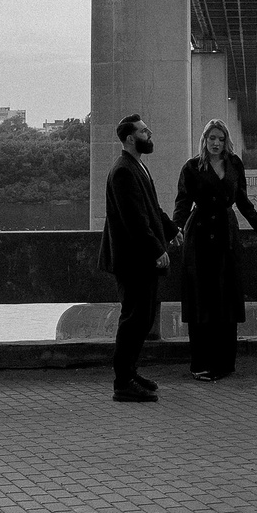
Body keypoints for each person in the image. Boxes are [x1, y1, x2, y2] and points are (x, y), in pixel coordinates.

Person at [171, 117, 257, 380]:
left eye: (221, 139)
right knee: (202, 299)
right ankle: (200, 364)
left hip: (226, 234)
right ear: (204, 140)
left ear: (226, 141)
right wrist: (174, 230)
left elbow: (242, 199)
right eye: (211, 138)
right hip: (200, 235)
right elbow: (182, 202)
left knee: (226, 297)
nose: (216, 143)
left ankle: (224, 362)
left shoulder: (234, 163)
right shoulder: (191, 168)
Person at [97, 112, 178, 402]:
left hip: (139, 258)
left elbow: (151, 207)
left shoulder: (137, 166)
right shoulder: (123, 171)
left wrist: (171, 229)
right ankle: (122, 383)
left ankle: (131, 372)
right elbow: (134, 219)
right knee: (133, 319)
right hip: (133, 260)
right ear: (131, 138)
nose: (150, 133)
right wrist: (157, 249)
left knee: (142, 318)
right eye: (144, 131)